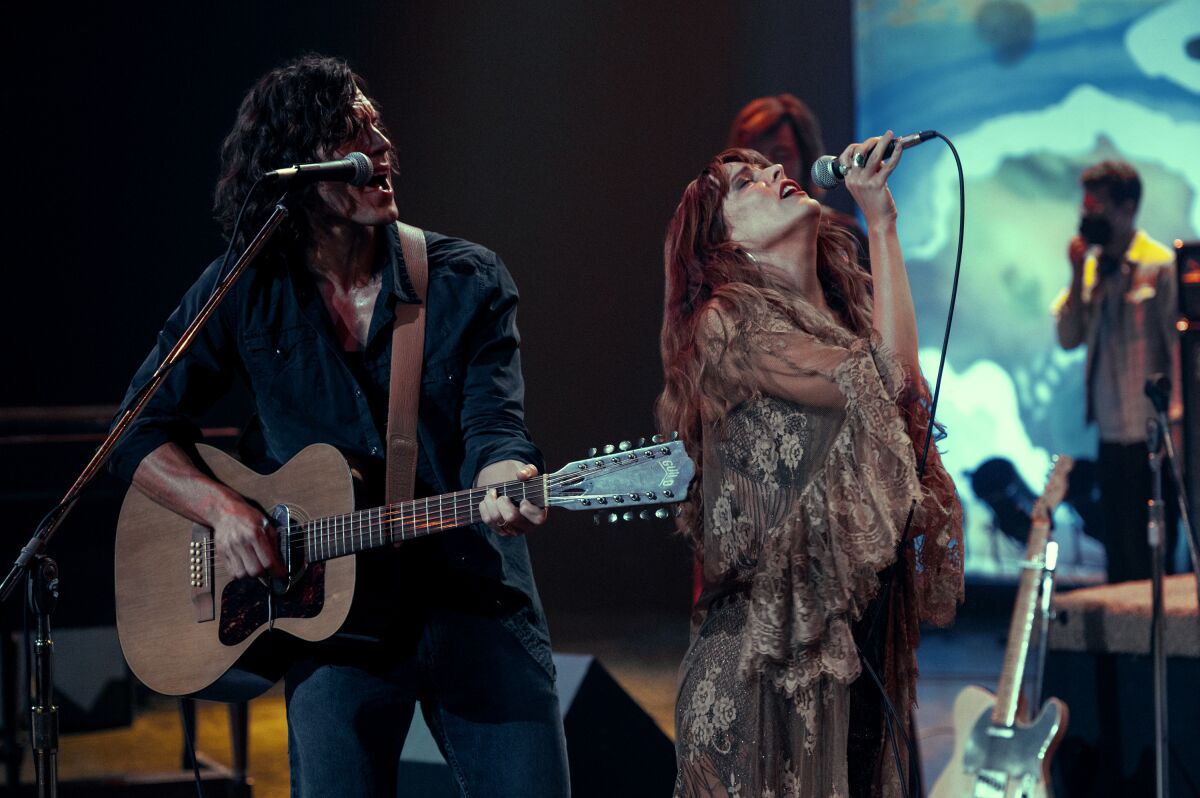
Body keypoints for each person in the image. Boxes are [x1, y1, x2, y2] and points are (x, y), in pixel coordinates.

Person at [107, 55, 569, 797]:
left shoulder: (464, 280)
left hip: (472, 603)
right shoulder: (246, 285)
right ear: (296, 167)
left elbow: (496, 428)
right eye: (351, 133)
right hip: (333, 627)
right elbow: (134, 429)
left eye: (377, 126)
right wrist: (223, 511)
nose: (380, 147)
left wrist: (503, 478)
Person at [657, 136, 963, 797]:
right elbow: (887, 385)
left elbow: (900, 402)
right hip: (759, 679)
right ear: (723, 244)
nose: (772, 174)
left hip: (850, 662)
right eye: (745, 184)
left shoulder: (847, 325)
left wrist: (881, 220)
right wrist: (880, 224)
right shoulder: (727, 323)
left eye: (769, 168)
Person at [1054, 159, 1181, 583]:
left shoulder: (1161, 264)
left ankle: (1156, 644)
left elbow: (1179, 350)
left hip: (1155, 431)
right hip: (1110, 433)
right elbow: (1068, 338)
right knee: (1119, 550)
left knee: (1155, 550)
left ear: (1127, 208)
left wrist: (1178, 425)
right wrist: (1075, 276)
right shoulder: (1092, 269)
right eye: (1085, 205)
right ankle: (1124, 644)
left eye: (1098, 205)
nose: (1087, 214)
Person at [727, 94, 870, 267]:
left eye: (781, 155)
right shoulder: (728, 248)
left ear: (807, 160)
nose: (769, 167)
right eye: (754, 159)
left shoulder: (846, 234)